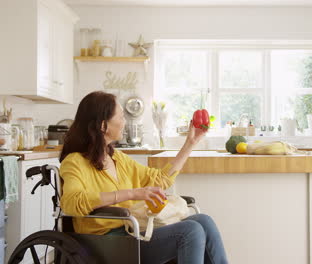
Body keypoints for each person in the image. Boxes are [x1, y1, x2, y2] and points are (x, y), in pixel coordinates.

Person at [59, 91, 228, 264]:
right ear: (103, 126)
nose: (124, 123)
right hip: (103, 242)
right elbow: (72, 202)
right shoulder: (74, 162)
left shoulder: (118, 158)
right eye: (121, 117)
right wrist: (132, 194)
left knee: (203, 221)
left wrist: (190, 143)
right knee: (191, 231)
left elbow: (161, 179)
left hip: (131, 230)